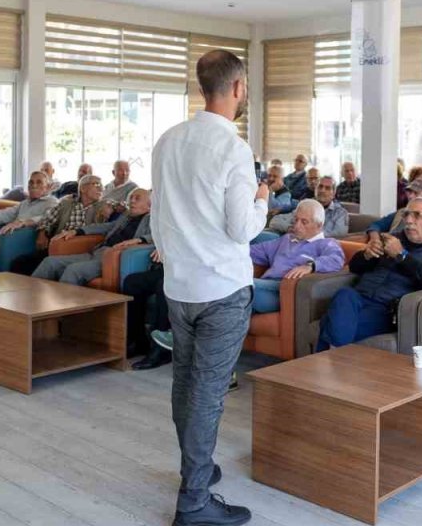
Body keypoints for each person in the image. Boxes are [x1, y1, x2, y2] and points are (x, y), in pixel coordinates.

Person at [151, 48, 265, 525]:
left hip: (179, 286)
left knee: (186, 384)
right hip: (222, 287)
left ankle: (197, 469)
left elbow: (158, 217)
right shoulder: (234, 149)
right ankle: (193, 501)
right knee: (209, 393)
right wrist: (262, 200)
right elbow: (242, 229)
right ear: (238, 89)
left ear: (203, 87)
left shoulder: (168, 140)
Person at [315, 197, 422, 351]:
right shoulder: (391, 238)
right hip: (359, 297)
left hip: (386, 309)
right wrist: (366, 255)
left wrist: (402, 256)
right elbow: (354, 267)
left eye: (416, 215)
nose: (408, 220)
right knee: (344, 293)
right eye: (406, 214)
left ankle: (326, 361)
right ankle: (333, 360)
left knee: (329, 321)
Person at [32, 188, 153, 286]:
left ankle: (62, 313)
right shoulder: (126, 215)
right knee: (49, 262)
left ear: (149, 205)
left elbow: (159, 237)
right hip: (97, 252)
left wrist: (140, 240)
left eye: (137, 199)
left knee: (73, 270)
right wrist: (77, 231)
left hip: (113, 259)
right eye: (131, 197)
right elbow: (105, 226)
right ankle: (31, 300)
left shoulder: (152, 220)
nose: (132, 201)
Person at [248, 199, 345, 314]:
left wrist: (311, 266)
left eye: (304, 222)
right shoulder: (287, 239)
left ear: (319, 225)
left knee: (241, 285)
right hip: (265, 284)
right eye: (296, 220)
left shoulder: (326, 243)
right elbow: (254, 251)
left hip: (284, 291)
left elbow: (336, 259)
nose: (297, 226)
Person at [8, 174, 111, 276]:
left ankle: (34, 290)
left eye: (101, 185)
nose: (101, 188)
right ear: (83, 188)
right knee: (19, 263)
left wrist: (114, 207)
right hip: (58, 244)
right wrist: (42, 232)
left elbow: (124, 206)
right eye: (96, 184)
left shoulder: (104, 204)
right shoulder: (66, 203)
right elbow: (48, 218)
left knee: (45, 264)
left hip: (81, 247)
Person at [366, 178, 422, 242]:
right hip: (388, 247)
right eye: (409, 192)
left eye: (416, 193)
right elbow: (376, 225)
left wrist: (415, 242)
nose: (410, 196)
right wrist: (375, 239)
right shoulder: (402, 211)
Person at [266, 176, 349, 238]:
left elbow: (339, 234)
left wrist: (307, 232)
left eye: (327, 188)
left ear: (333, 193)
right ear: (315, 189)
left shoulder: (340, 213)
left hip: (319, 248)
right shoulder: (305, 207)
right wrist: (290, 228)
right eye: (320, 186)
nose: (322, 190)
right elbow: (275, 221)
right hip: (293, 243)